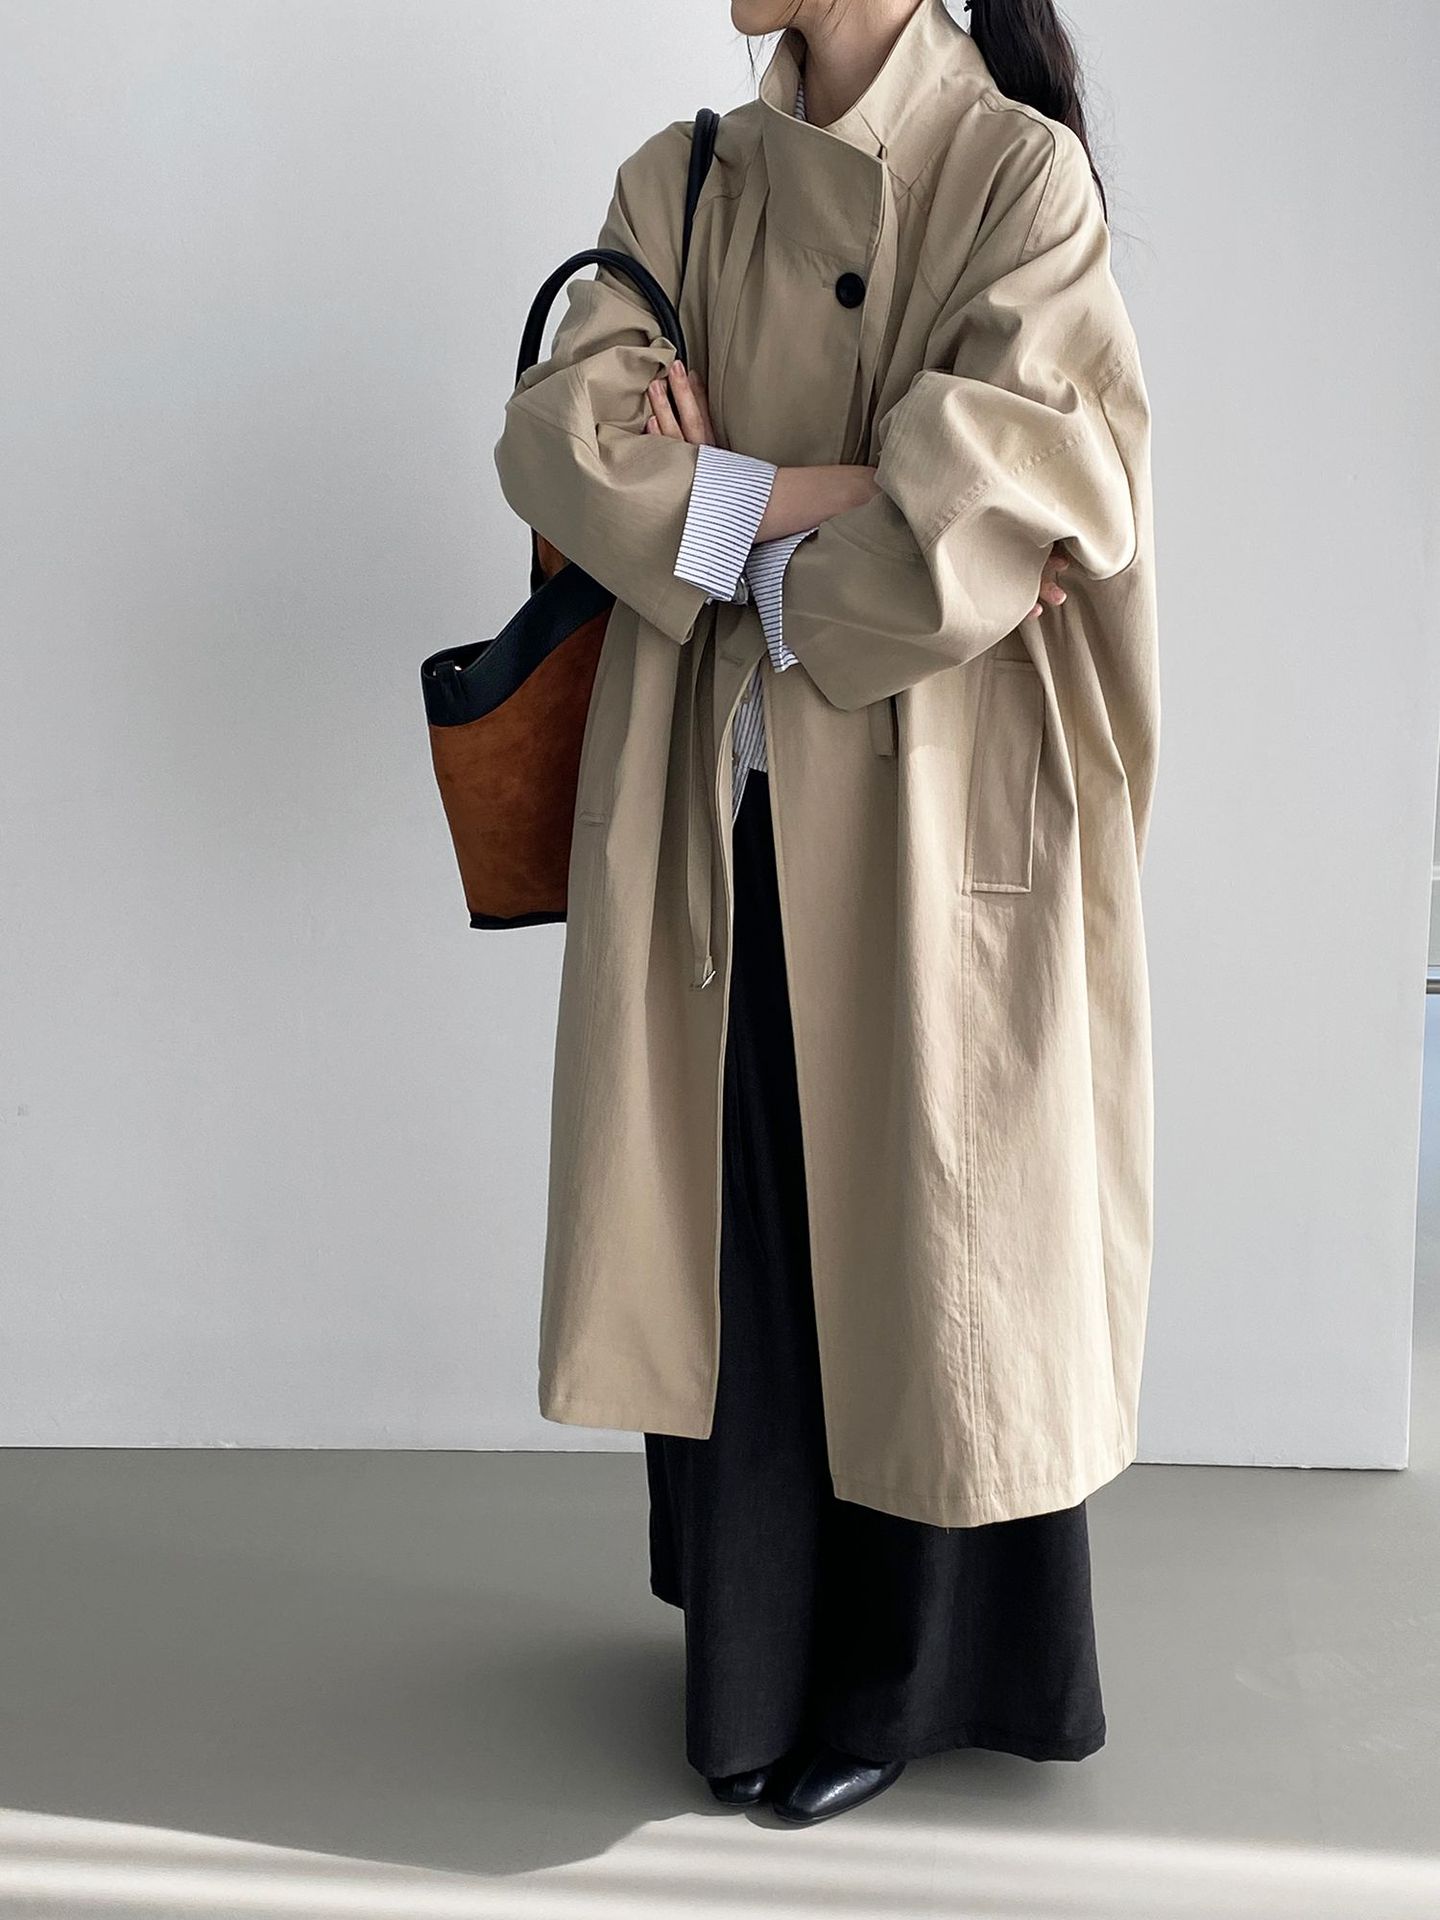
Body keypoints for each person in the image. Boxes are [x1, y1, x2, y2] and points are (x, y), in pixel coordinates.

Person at [493, 0, 1158, 1825]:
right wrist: (850, 486)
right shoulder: (684, 177)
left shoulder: (1015, 177)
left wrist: (738, 548)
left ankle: (907, 1681)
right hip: (717, 811)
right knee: (751, 1243)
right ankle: (757, 1668)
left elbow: (1011, 512)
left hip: (934, 824)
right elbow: (564, 442)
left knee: (935, 1244)